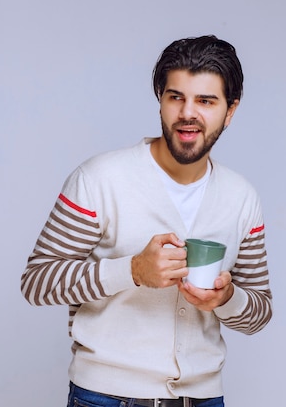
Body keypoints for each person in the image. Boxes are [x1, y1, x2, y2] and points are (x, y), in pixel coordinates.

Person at [21, 35, 272, 407]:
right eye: (176, 97)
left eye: (206, 101)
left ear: (230, 111)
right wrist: (133, 271)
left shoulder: (241, 198)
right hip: (105, 397)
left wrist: (227, 297)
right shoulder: (99, 179)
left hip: (203, 398)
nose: (188, 113)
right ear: (161, 100)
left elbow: (259, 312)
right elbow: (37, 283)